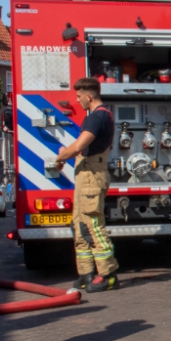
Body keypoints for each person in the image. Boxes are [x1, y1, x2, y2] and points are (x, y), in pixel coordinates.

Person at [55, 77, 120, 292]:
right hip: (87, 174)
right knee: (80, 225)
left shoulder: (96, 117)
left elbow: (80, 145)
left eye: (79, 96)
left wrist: (60, 157)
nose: (77, 100)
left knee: (93, 226)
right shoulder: (103, 116)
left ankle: (108, 274)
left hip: (91, 175)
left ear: (88, 96)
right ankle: (86, 273)